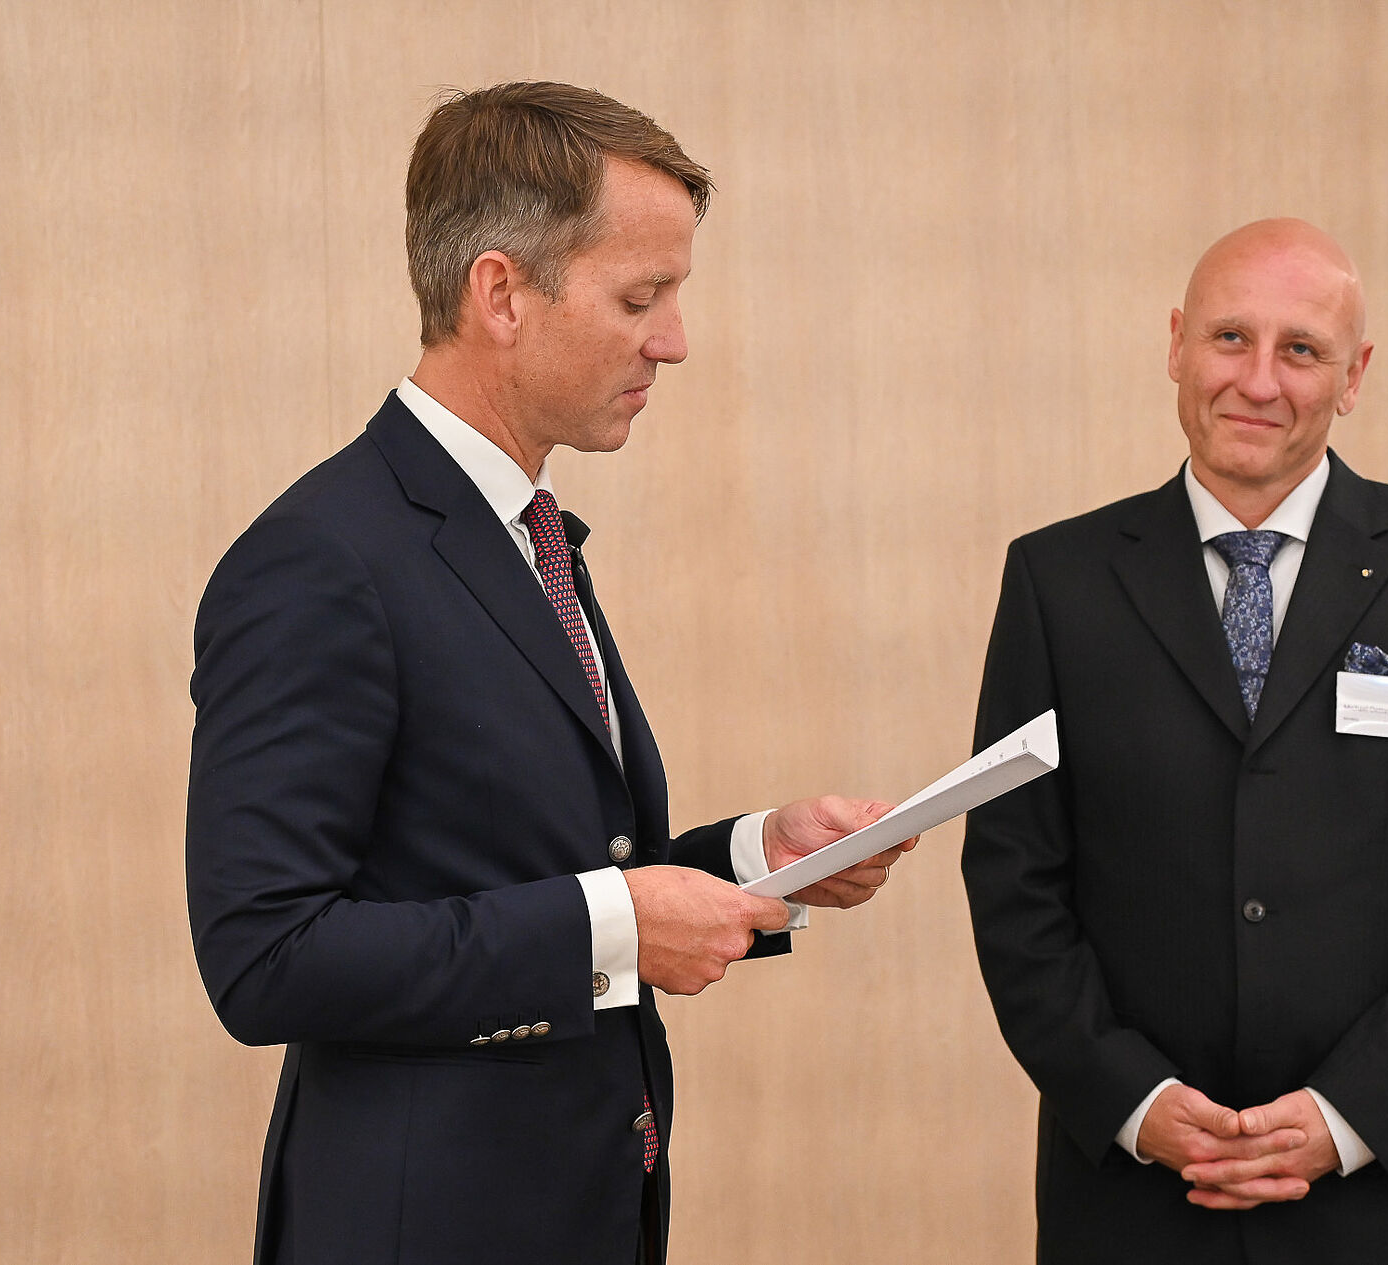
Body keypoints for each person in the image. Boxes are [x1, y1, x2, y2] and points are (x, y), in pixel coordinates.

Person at [185, 82, 914, 1265]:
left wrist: (754, 857)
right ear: (500, 293)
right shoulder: (321, 558)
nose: (673, 339)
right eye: (639, 296)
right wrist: (612, 923)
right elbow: (266, 957)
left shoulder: (524, 532)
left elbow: (542, 866)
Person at [961, 218, 1388, 1263]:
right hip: (1135, 1192)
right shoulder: (1057, 581)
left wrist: (1354, 1111)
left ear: (1353, 376)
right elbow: (1014, 870)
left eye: (1302, 349)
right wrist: (1131, 1098)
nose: (1258, 380)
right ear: (1176, 344)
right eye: (1230, 337)